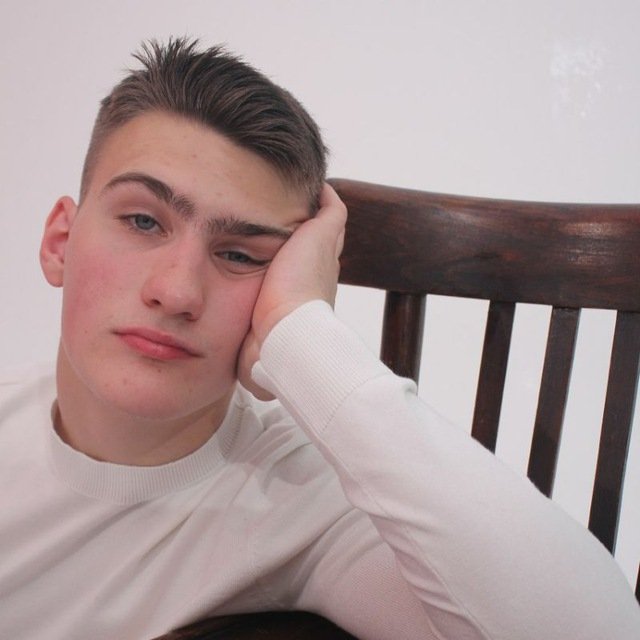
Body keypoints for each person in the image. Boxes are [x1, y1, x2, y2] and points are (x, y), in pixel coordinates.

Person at [0, 38, 637, 640]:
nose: (178, 291)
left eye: (240, 254)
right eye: (143, 221)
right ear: (60, 242)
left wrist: (301, 333)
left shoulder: (295, 502)